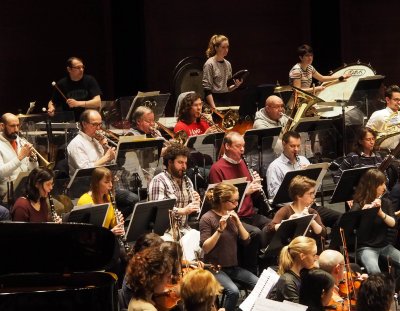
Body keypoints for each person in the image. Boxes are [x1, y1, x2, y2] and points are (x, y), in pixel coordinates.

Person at [208, 131, 270, 275]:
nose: (242, 150)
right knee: (255, 233)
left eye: (243, 146)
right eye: (238, 146)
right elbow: (218, 200)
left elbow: (253, 197)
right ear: (227, 146)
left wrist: (256, 185)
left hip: (249, 213)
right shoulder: (217, 169)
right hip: (231, 217)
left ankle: (265, 265)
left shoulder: (243, 163)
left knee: (273, 226)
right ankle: (251, 270)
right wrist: (246, 191)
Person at [200, 182, 258, 311]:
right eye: (234, 201)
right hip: (214, 268)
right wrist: (219, 230)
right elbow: (206, 248)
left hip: (233, 267)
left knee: (259, 285)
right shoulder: (207, 218)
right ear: (222, 201)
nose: (237, 204)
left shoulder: (232, 216)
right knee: (233, 292)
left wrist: (238, 223)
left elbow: (246, 240)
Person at [266, 131, 341, 229]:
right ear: (284, 144)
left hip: (310, 207)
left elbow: (315, 188)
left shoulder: (304, 160)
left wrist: (310, 175)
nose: (296, 149)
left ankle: (331, 242)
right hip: (291, 209)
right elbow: (274, 196)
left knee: (340, 218)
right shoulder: (275, 167)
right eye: (292, 146)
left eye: (298, 146)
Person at [351, 168, 400, 274]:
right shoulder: (358, 205)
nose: (385, 187)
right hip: (366, 248)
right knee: (375, 271)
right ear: (372, 186)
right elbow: (350, 228)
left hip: (385, 246)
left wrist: (381, 213)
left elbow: (394, 224)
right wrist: (363, 214)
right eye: (382, 184)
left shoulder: (385, 202)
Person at [148, 143, 201, 237]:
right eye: (180, 162)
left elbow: (192, 210)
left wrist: (196, 202)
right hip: (164, 233)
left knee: (202, 242)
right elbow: (159, 211)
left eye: (185, 163)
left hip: (184, 229)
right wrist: (183, 211)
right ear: (170, 162)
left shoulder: (187, 180)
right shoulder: (159, 181)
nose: (184, 166)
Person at [266, 176, 327, 248]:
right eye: (310, 193)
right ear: (299, 196)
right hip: (291, 250)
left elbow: (323, 233)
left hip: (309, 250)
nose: (313, 196)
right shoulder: (285, 210)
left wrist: (311, 220)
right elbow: (270, 229)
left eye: (313, 193)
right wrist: (288, 222)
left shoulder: (312, 212)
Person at [0, 113, 38, 211]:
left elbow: (33, 170)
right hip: (8, 196)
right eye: (12, 126)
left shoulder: (21, 141)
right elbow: (1, 172)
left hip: (27, 190)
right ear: (2, 126)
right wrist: (20, 157)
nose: (16, 130)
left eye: (18, 125)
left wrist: (32, 160)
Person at [48, 56, 102, 121]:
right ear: (69, 69)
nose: (81, 69)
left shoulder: (90, 80)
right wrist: (51, 108)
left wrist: (78, 103)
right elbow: (52, 102)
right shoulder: (61, 83)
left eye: (82, 67)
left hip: (88, 120)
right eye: (78, 67)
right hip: (69, 121)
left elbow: (97, 102)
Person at [77, 166, 125, 237]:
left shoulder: (108, 198)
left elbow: (112, 223)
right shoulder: (85, 201)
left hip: (104, 240)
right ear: (96, 183)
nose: (111, 185)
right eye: (106, 182)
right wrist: (110, 233)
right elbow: (85, 233)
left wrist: (118, 221)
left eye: (111, 181)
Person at [268, 236, 317, 303]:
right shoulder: (288, 282)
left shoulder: (305, 272)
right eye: (313, 255)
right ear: (302, 256)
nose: (315, 259)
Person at [125, 245, 173, 311]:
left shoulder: (137, 297)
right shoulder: (148, 309)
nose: (169, 280)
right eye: (168, 277)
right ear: (156, 278)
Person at [202, 34, 243, 109]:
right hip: (213, 100)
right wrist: (214, 108)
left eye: (227, 47)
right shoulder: (209, 64)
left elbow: (227, 87)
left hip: (226, 99)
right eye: (223, 47)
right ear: (216, 48)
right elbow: (207, 89)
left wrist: (236, 85)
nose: (226, 50)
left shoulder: (228, 64)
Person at [366, 84, 400, 150]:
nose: (399, 102)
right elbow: (367, 133)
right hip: (384, 152)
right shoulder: (378, 114)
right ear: (387, 100)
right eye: (396, 100)